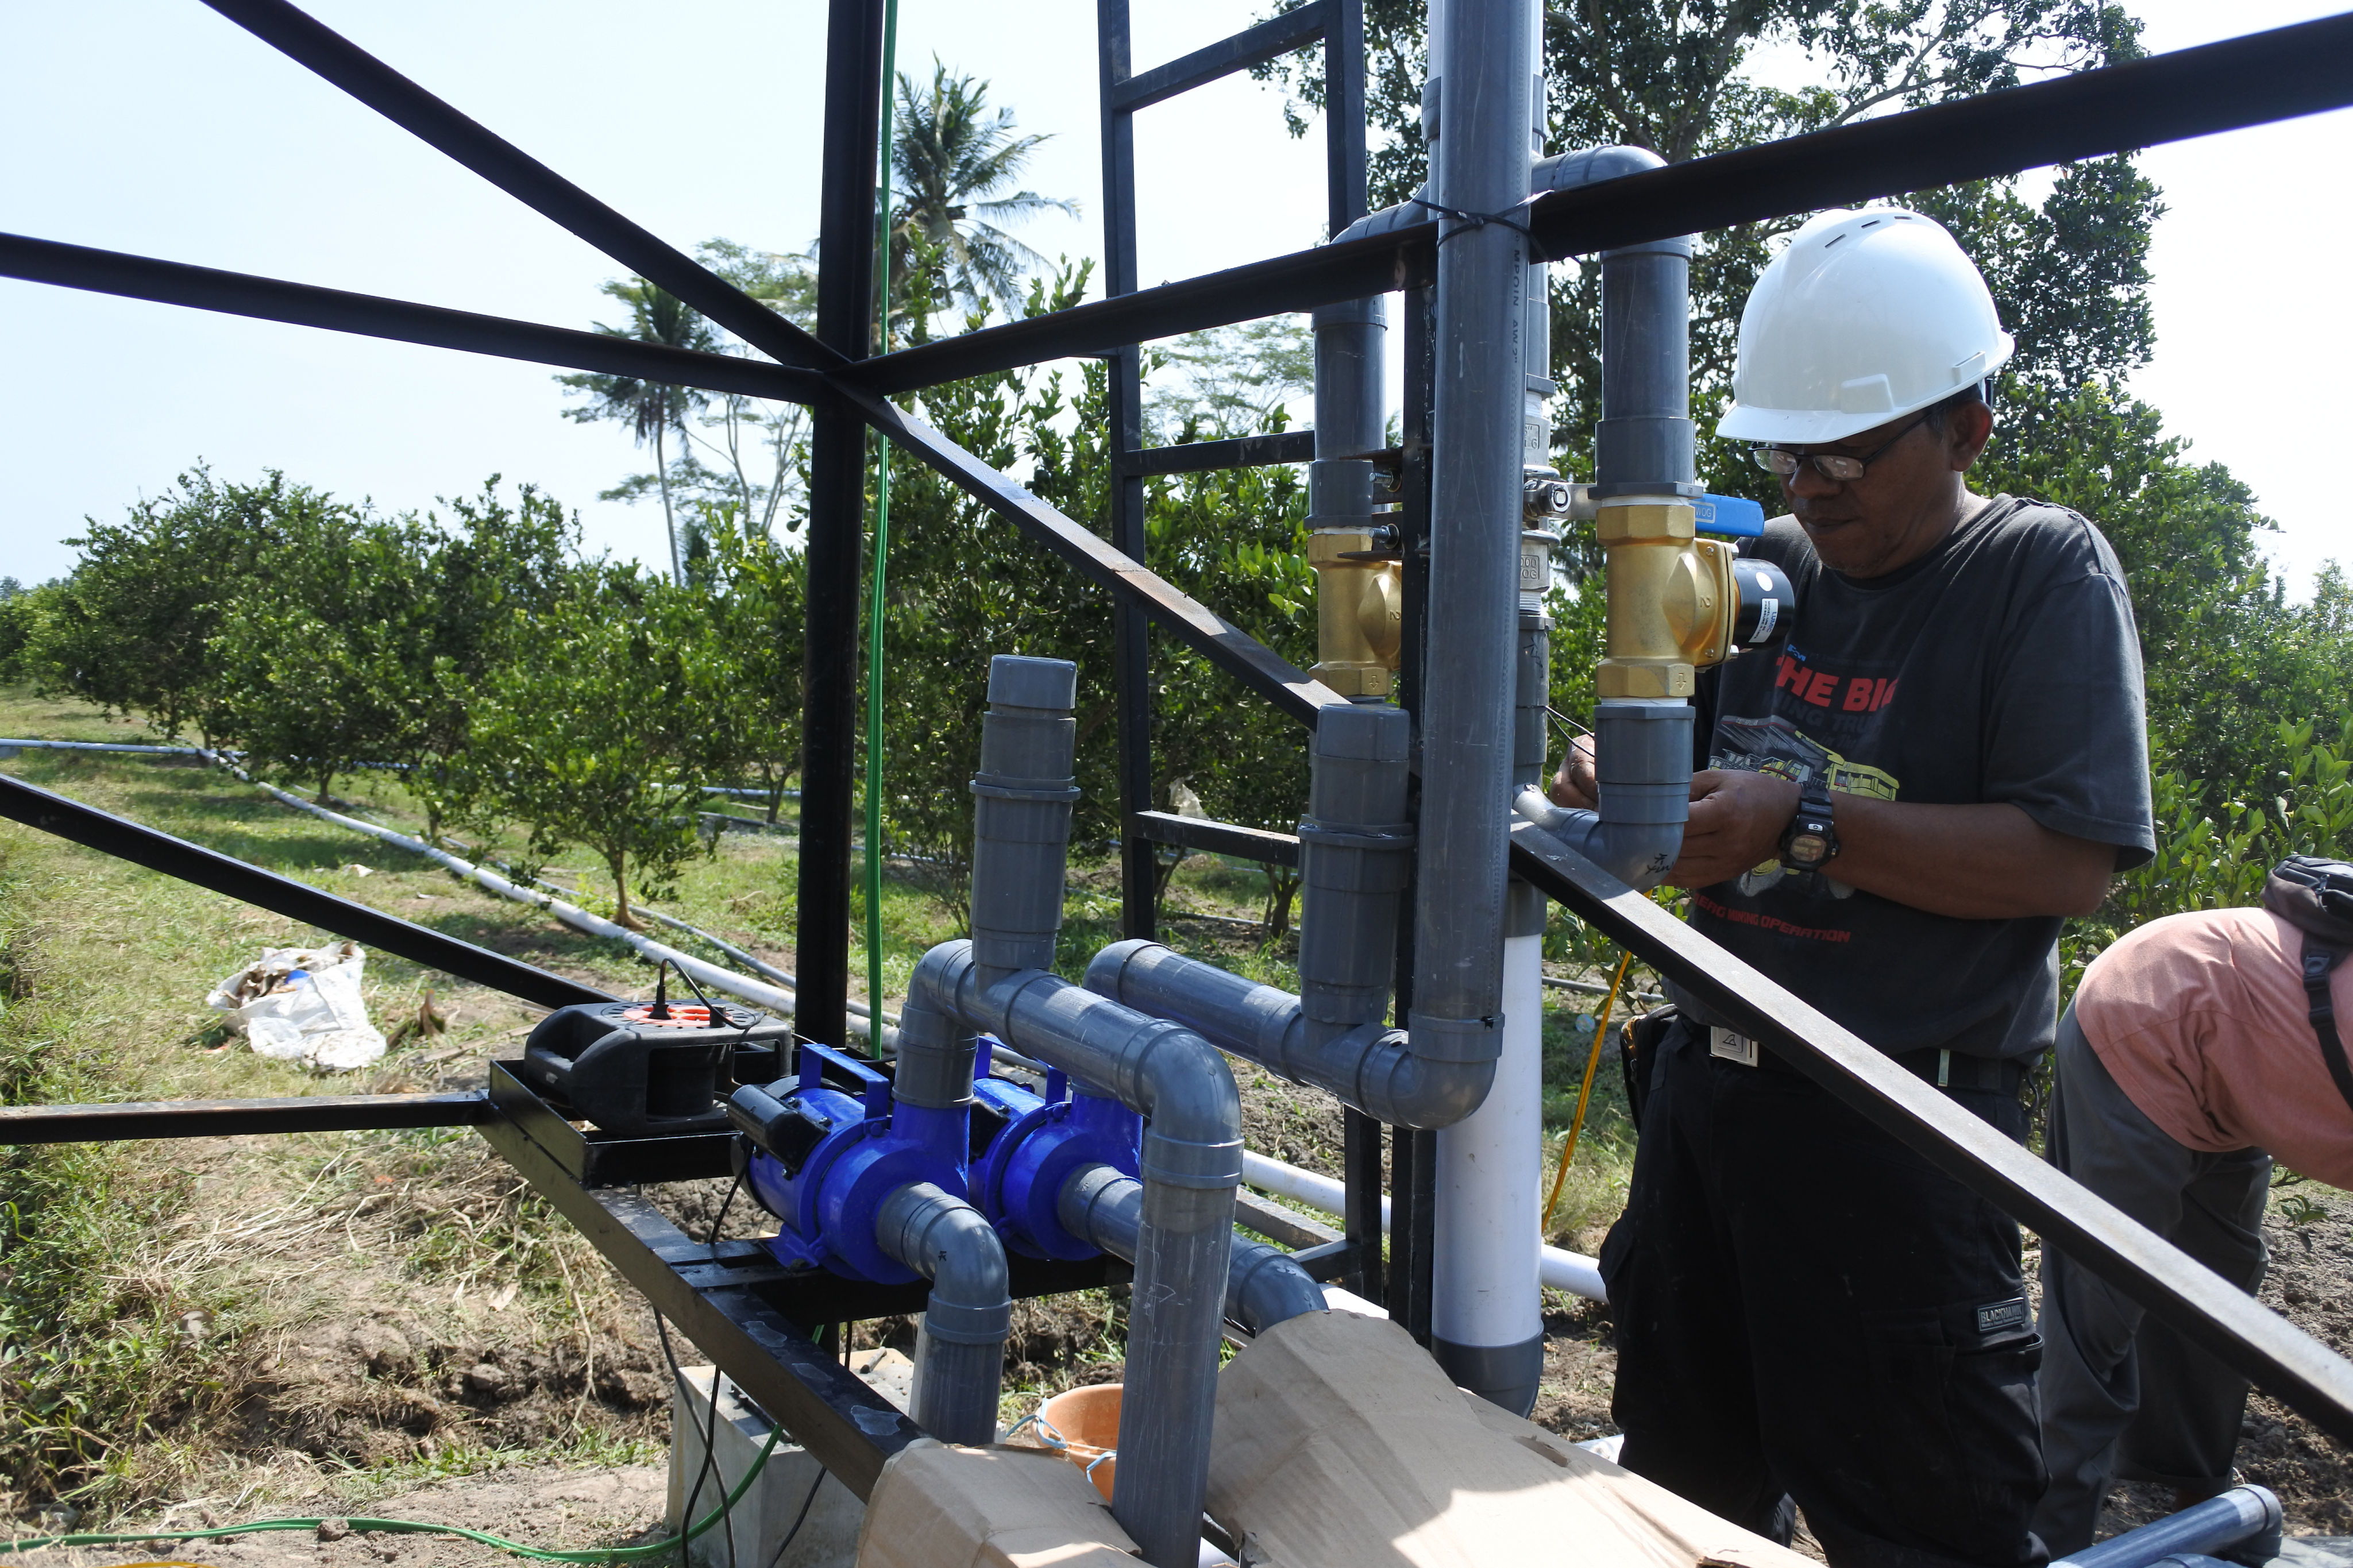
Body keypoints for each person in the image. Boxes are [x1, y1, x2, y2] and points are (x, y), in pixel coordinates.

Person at [1552, 207, 2157, 1568]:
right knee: (1684, 1503)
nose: (1817, 482)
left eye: (1853, 451)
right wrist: (1621, 771)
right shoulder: (1764, 565)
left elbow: (2074, 859)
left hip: (1897, 1125)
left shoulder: (2033, 573)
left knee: (1922, 1527)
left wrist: (1806, 819)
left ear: (1967, 427)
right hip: (1710, 1108)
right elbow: (1680, 764)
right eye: (1791, 448)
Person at [2035, 878, 2353, 1554]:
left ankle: (2198, 1495)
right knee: (2101, 1296)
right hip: (2148, 1010)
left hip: (2239, 1064)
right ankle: (2048, 1532)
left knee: (2218, 1288)